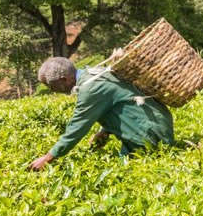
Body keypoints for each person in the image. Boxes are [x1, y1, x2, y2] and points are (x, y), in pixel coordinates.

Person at [28, 57, 174, 170]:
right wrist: (105, 130)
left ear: (64, 79)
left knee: (123, 174)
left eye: (51, 85)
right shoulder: (95, 74)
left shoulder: (90, 89)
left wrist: (48, 157)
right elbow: (120, 102)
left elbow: (77, 127)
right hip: (157, 124)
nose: (52, 90)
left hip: (151, 135)